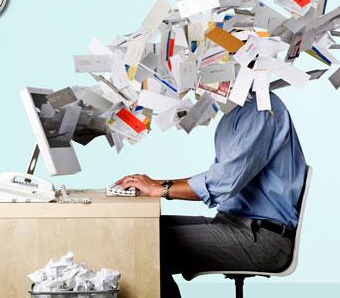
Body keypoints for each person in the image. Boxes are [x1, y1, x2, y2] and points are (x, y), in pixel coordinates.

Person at [115, 92, 307, 298]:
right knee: (140, 231)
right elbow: (220, 175)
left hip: (262, 237)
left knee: (146, 244)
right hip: (233, 223)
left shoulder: (260, 109)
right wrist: (156, 184)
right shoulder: (235, 110)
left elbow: (224, 182)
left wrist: (161, 189)